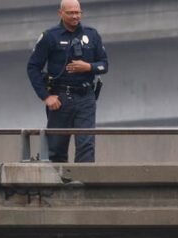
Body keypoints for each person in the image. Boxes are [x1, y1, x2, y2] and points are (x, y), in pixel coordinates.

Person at [26, 0, 108, 163]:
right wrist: (46, 97)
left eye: (78, 12)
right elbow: (33, 67)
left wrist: (88, 67)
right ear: (61, 13)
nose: (75, 16)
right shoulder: (50, 36)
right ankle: (58, 185)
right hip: (60, 99)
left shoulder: (91, 35)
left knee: (86, 145)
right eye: (70, 13)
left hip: (86, 97)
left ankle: (83, 183)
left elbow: (104, 65)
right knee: (56, 148)